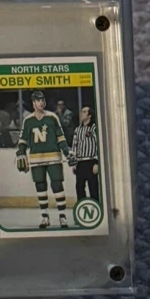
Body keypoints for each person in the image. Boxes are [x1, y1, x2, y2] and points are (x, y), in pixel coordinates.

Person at [16, 90, 71, 229]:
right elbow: (23, 140)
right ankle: (45, 217)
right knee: (40, 186)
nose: (41, 102)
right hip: (36, 159)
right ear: (33, 103)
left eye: (42, 100)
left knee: (57, 185)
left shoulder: (52, 117)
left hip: (53, 157)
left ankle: (62, 216)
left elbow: (61, 137)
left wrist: (67, 151)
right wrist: (21, 152)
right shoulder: (28, 120)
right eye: (38, 100)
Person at [71, 105, 100, 205]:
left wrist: (97, 162)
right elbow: (74, 145)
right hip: (80, 162)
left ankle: (96, 208)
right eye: (81, 112)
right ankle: (82, 209)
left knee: (93, 188)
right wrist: (74, 162)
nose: (81, 114)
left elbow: (99, 144)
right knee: (79, 187)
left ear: (89, 115)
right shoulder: (77, 129)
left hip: (91, 162)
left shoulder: (94, 128)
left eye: (84, 112)